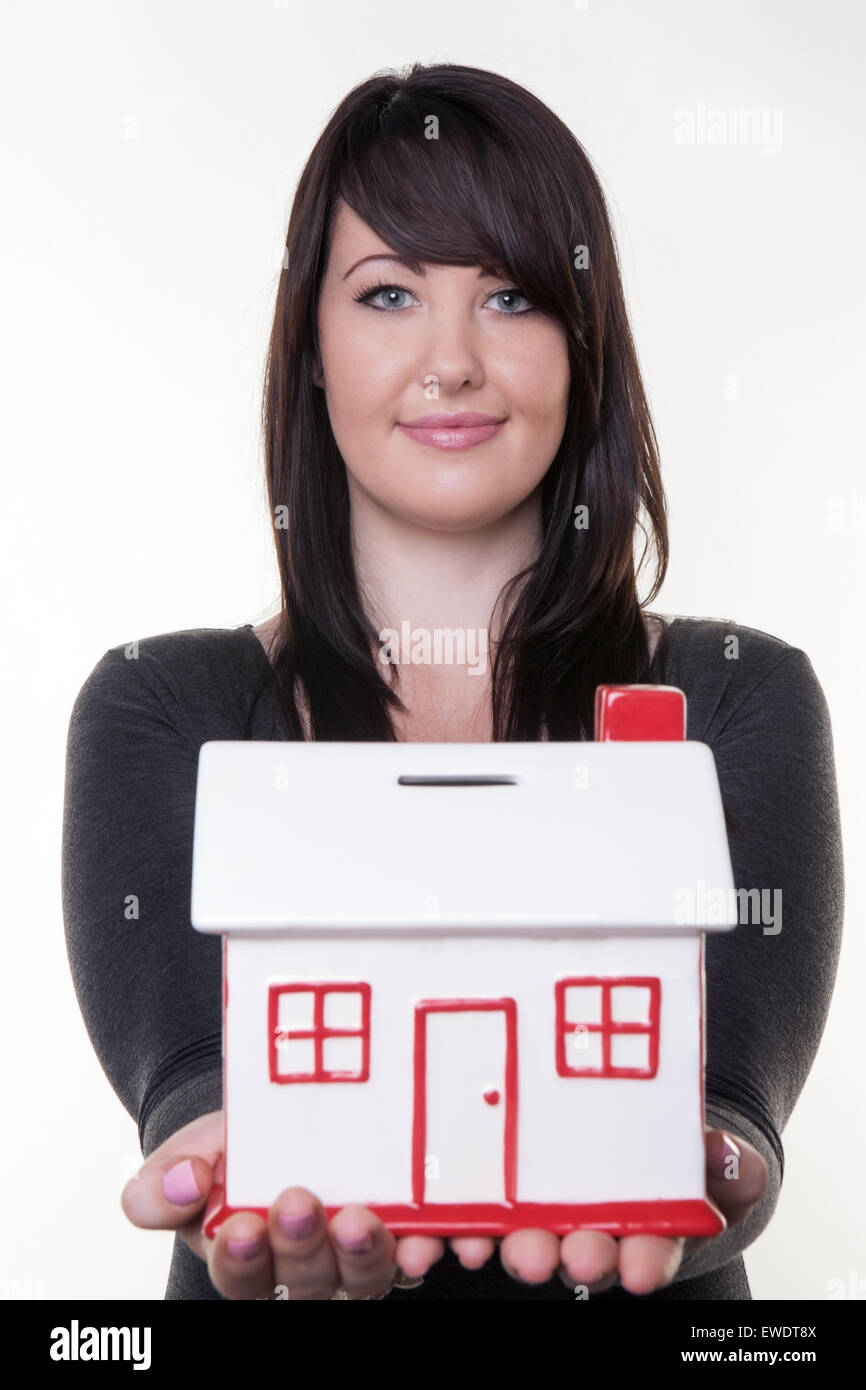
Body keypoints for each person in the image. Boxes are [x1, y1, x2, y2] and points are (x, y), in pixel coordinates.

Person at [61, 62, 843, 1301]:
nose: (450, 363)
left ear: (581, 342)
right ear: (310, 346)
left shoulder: (736, 696)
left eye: (511, 297)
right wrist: (225, 1151)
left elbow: (723, 1104)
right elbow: (201, 1076)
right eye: (385, 293)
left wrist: (712, 1163)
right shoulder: (161, 705)